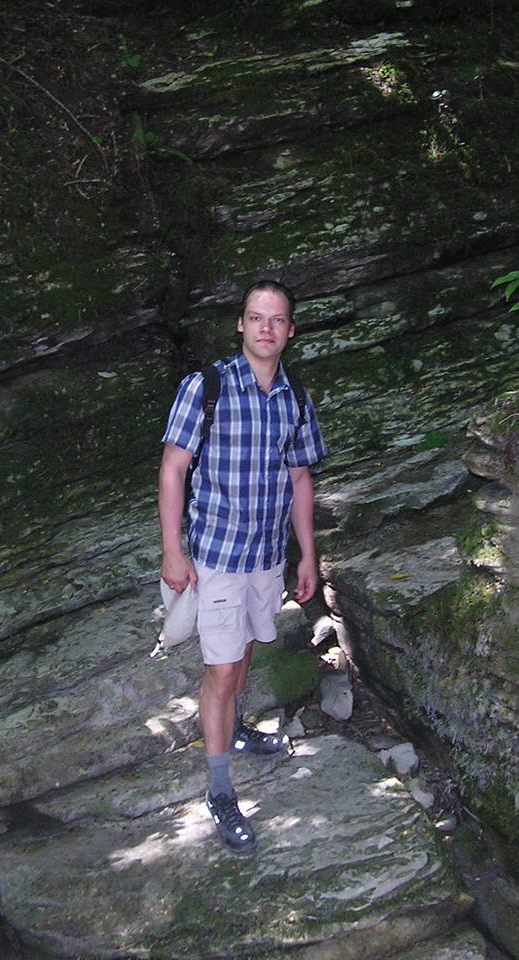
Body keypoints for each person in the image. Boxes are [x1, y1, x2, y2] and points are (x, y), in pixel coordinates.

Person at [158, 279, 326, 855]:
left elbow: (300, 478)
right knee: (224, 672)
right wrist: (173, 550)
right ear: (241, 324)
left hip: (266, 558)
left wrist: (307, 554)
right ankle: (220, 790)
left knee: (246, 649)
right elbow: (173, 469)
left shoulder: (295, 398)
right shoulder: (206, 388)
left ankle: (233, 729)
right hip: (218, 557)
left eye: (277, 320)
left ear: (290, 331)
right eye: (256, 317)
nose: (266, 328)